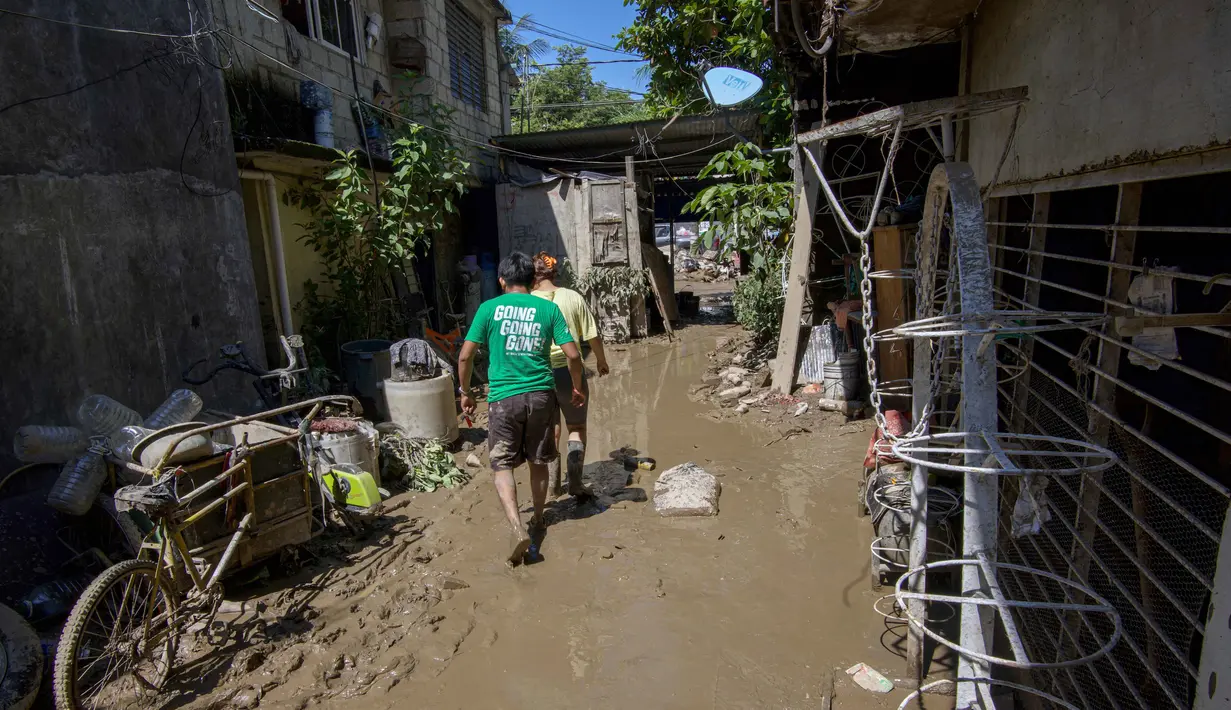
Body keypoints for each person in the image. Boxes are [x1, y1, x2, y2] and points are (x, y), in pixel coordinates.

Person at [458, 252, 585, 566]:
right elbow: (572, 355)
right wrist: (577, 386)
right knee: (538, 461)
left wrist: (465, 392)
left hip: (503, 400)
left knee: (501, 464)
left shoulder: (489, 309)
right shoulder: (548, 308)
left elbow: (464, 357)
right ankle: (539, 518)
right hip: (542, 396)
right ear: (532, 280)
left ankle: (516, 526)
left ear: (502, 281)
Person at [530, 252, 610, 500]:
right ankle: (575, 483)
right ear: (554, 273)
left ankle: (553, 487)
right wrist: (601, 360)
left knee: (550, 428)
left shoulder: (527, 300)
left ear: (533, 275)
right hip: (569, 371)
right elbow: (591, 335)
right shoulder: (573, 297)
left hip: (538, 373)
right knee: (576, 426)